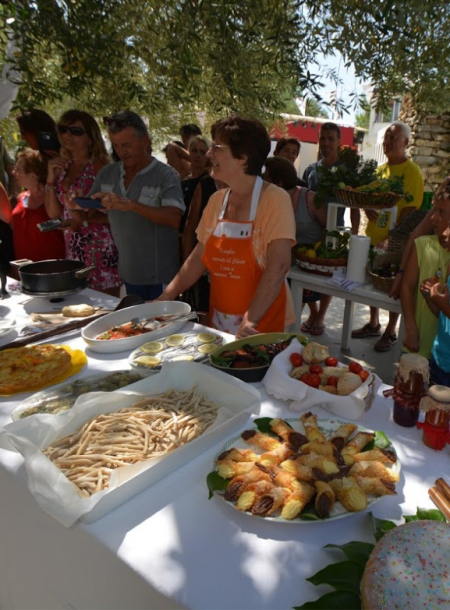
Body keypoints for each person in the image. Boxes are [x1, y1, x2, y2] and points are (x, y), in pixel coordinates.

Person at [159, 115, 296, 338]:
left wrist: (251, 319)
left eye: (216, 147)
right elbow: (199, 256)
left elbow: (278, 265)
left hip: (258, 324)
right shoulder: (217, 201)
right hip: (220, 319)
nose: (209, 153)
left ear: (242, 157)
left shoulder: (274, 199)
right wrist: (166, 296)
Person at [87, 110, 185, 300]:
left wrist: (132, 205)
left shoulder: (166, 175)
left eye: (127, 145)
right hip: (127, 275)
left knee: (160, 327)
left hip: (160, 277)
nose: (121, 151)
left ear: (145, 141)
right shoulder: (107, 173)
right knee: (132, 328)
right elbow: (91, 214)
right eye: (116, 146)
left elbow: (174, 218)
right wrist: (77, 205)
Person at [352, 121, 424, 351]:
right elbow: (369, 198)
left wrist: (393, 240)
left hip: (395, 242)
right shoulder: (381, 170)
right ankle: (373, 323)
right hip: (373, 236)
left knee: (392, 286)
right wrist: (366, 208)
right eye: (386, 138)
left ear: (406, 142)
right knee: (372, 280)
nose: (388, 142)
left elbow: (410, 210)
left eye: (394, 138)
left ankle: (391, 331)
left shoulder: (411, 172)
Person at [45, 109, 121, 296]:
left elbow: (117, 212)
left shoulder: (102, 166)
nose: (67, 135)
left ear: (90, 138)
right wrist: (50, 181)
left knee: (105, 307)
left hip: (101, 247)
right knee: (79, 305)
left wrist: (83, 220)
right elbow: (54, 213)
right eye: (63, 129)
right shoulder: (63, 166)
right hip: (74, 245)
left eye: (76, 131)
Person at [264, 156, 327, 333]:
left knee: (289, 309)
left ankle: (286, 335)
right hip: (284, 261)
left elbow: (329, 231)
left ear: (280, 182)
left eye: (267, 178)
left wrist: (314, 251)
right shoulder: (270, 200)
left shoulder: (310, 199)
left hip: (309, 262)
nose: (262, 181)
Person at [401, 185, 450, 358]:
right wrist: (410, 327)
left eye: (441, 212)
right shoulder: (422, 245)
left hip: (443, 354)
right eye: (434, 210)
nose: (433, 218)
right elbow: (407, 286)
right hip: (418, 345)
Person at [11, 149, 65, 262]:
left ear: (33, 176)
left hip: (52, 267)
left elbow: (62, 221)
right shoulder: (21, 197)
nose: (13, 172)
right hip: (24, 268)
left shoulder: (51, 197)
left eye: (18, 169)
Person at [180, 135, 211, 231]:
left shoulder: (209, 182)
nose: (198, 155)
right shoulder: (183, 181)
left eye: (202, 152)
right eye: (194, 151)